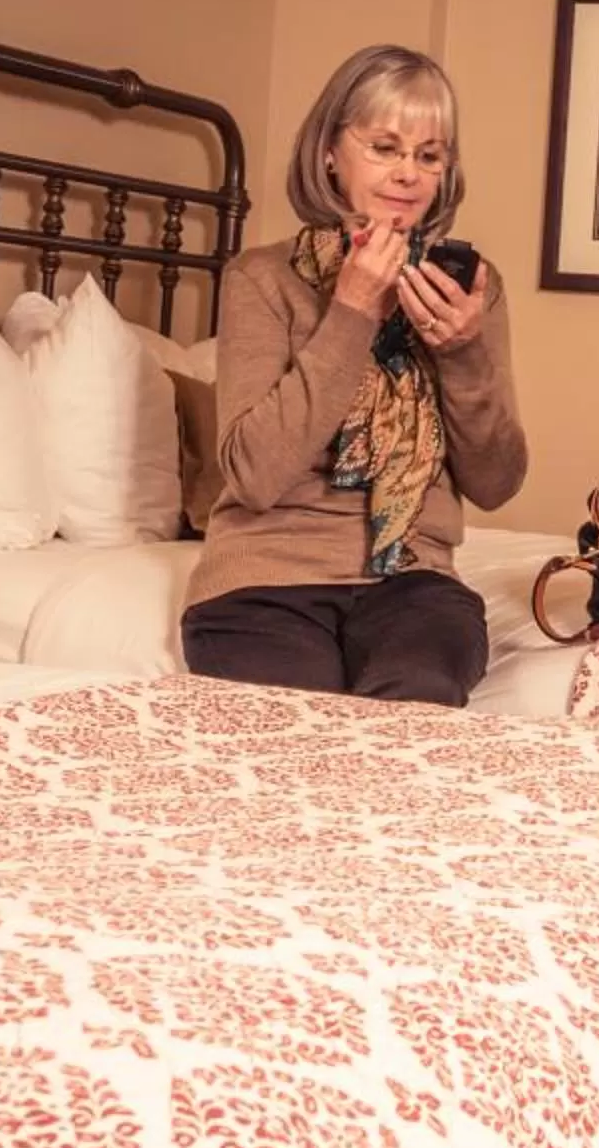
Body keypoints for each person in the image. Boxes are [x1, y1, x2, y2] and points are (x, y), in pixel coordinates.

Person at [180, 44, 525, 705]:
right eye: (385, 147)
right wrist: (351, 312)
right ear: (330, 153)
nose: (408, 174)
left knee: (415, 706)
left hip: (413, 582)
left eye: (429, 155)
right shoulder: (260, 280)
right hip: (265, 585)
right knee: (307, 730)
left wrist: (461, 352)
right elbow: (253, 475)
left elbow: (497, 482)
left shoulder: (468, 290)